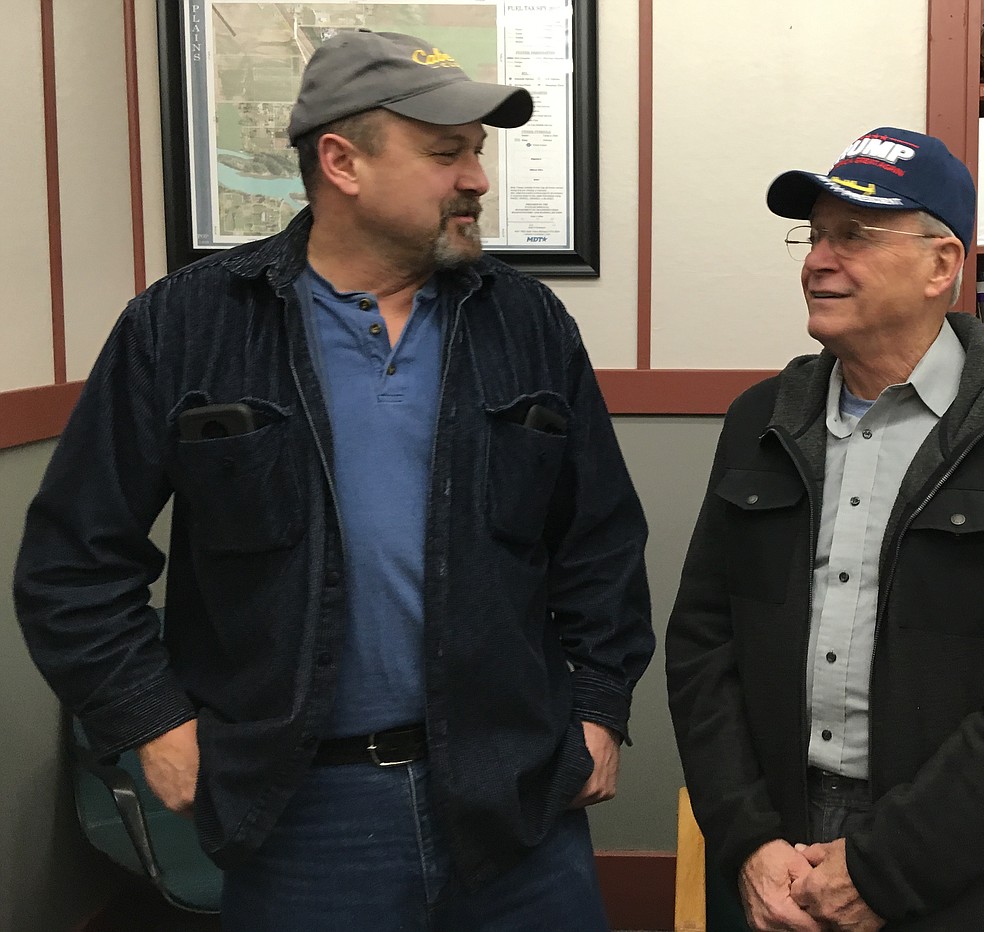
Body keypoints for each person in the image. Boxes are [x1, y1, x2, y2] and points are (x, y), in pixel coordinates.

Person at [15, 30, 653, 931]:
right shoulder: (186, 327)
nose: (477, 177)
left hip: (512, 798)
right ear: (342, 162)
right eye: (446, 152)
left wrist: (597, 708)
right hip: (299, 811)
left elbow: (600, 541)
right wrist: (149, 724)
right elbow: (70, 564)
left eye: (478, 151)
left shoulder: (527, 323)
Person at [665, 126, 984, 931]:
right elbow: (703, 645)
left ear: (942, 267)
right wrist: (747, 840)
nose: (818, 259)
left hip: (963, 865)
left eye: (854, 234)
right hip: (774, 848)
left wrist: (887, 867)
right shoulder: (759, 422)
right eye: (814, 235)